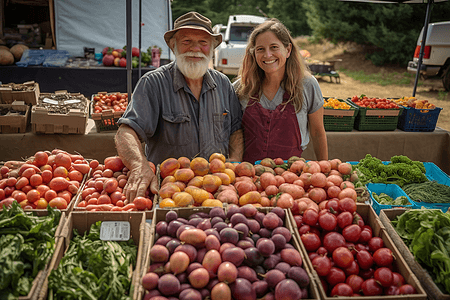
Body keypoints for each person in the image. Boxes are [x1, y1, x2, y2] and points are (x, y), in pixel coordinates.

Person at [115, 12, 244, 201]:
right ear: (173, 45)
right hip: (169, 193)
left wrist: (233, 164)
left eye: (203, 42)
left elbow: (236, 130)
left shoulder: (223, 84)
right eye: (186, 42)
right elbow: (126, 131)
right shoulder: (154, 83)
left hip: (216, 192)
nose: (195, 49)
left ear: (212, 47)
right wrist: (139, 165)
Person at [233, 18, 328, 163]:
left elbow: (317, 133)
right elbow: (234, 133)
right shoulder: (242, 88)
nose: (268, 55)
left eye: (274, 47)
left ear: (288, 50)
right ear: (253, 53)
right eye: (260, 49)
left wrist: (325, 170)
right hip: (249, 176)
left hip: (291, 177)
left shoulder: (307, 85)